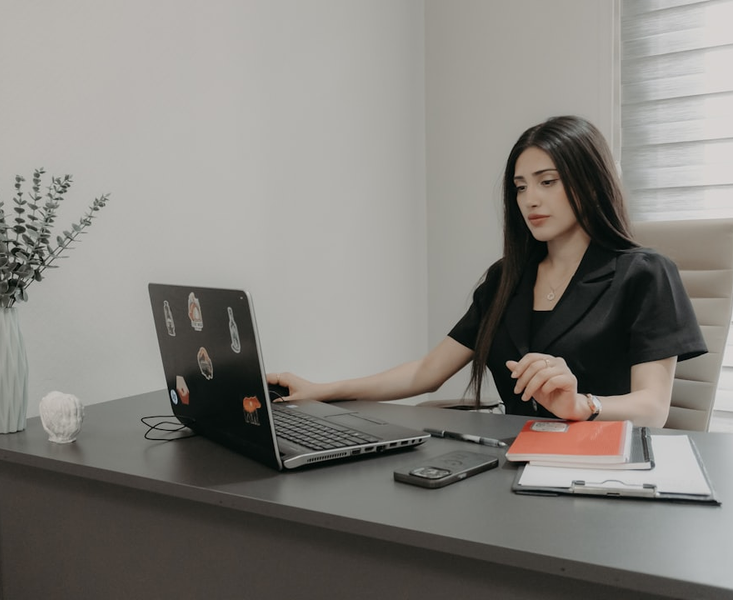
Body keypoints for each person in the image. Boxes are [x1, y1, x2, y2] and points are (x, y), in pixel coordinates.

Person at [268, 116, 707, 428]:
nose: (530, 199)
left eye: (547, 181)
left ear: (589, 183)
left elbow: (653, 408)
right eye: (520, 187)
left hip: (601, 468)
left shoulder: (645, 274)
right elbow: (426, 372)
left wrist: (582, 405)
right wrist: (321, 389)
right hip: (513, 463)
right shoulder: (507, 278)